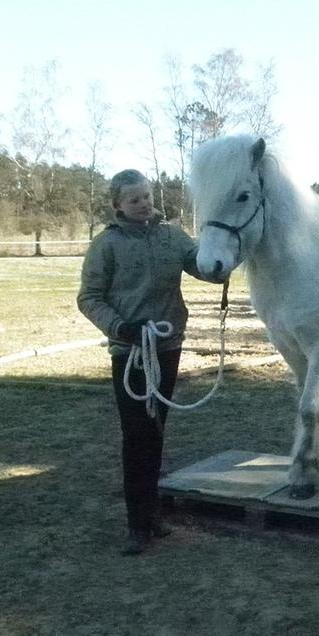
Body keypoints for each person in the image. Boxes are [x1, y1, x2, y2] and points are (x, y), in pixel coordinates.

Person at [77, 169, 211, 555]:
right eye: (134, 199)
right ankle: (138, 523)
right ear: (117, 205)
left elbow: (199, 265)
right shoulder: (107, 245)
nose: (144, 204)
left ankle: (152, 514)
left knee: (155, 430)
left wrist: (220, 262)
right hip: (131, 351)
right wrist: (121, 327)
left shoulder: (173, 236)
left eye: (147, 196)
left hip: (167, 347)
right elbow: (89, 297)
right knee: (136, 435)